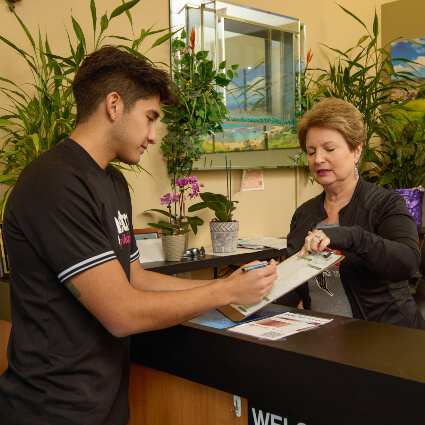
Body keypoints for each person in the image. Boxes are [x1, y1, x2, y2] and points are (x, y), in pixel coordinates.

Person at [0, 46, 277, 425]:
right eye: (150, 118)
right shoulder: (54, 183)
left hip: (107, 404)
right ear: (114, 105)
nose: (152, 136)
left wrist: (231, 286)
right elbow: (121, 313)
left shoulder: (113, 183)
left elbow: (136, 278)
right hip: (52, 409)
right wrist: (224, 293)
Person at [286, 97, 425, 329]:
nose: (318, 159)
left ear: (356, 150)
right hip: (322, 342)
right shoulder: (304, 215)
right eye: (311, 152)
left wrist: (350, 237)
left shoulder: (387, 204)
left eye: (329, 149)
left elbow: (408, 264)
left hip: (386, 340)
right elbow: (296, 286)